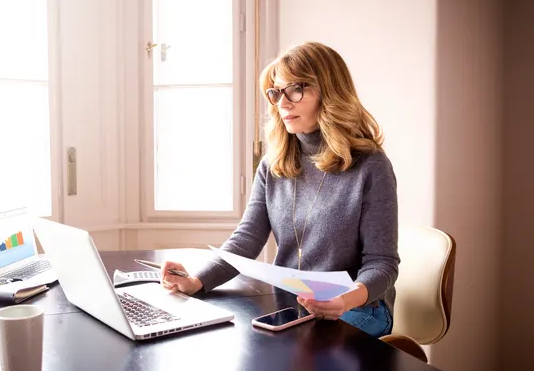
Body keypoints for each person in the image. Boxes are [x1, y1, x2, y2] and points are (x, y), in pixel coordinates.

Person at [160, 41, 399, 338]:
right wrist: (197, 281)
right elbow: (247, 239)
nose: (282, 103)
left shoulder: (371, 166)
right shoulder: (274, 164)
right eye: (276, 93)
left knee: (301, 357)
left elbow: (382, 265)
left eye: (295, 90)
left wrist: (342, 301)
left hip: (359, 308)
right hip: (293, 303)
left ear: (330, 92)